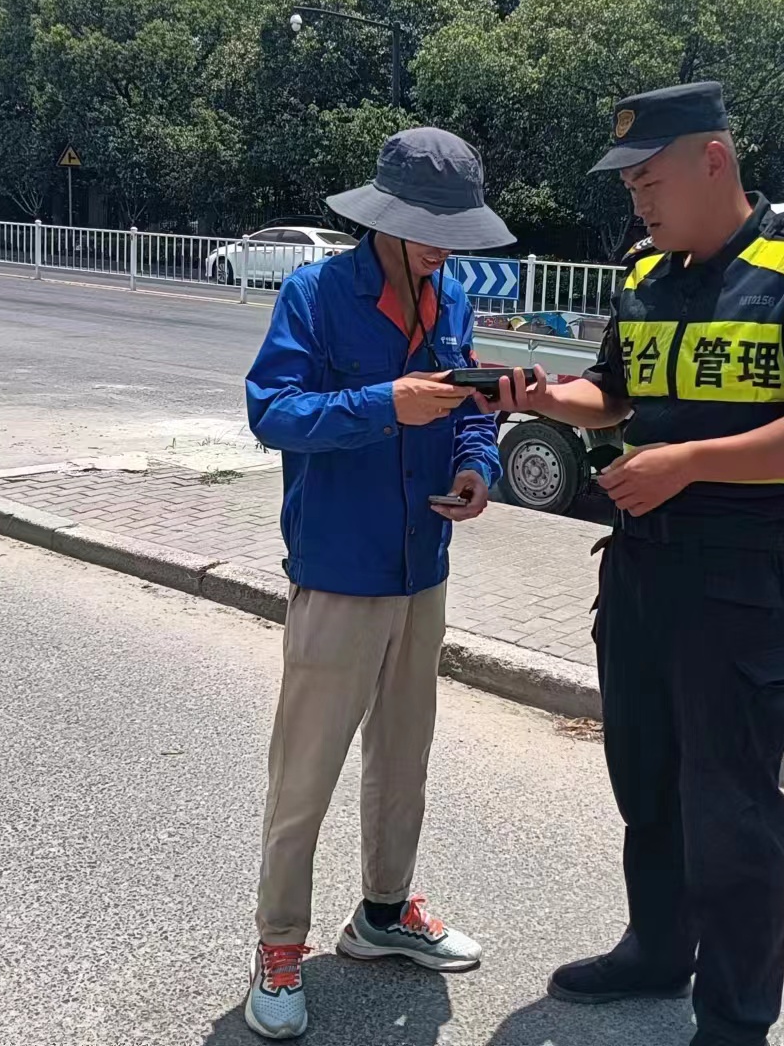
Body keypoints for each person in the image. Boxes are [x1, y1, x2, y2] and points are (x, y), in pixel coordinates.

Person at [479, 82, 784, 1045]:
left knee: (732, 807)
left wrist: (689, 464)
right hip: (640, 570)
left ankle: (736, 1019)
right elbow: (614, 395)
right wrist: (541, 397)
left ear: (714, 159)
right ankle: (658, 950)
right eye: (629, 188)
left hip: (737, 579)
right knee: (647, 779)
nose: (639, 201)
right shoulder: (648, 273)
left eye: (650, 180)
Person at [241, 127, 515, 1041]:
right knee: (305, 774)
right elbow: (273, 412)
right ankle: (280, 943)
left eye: (455, 230)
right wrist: (383, 404)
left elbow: (472, 411)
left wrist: (477, 467)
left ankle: (385, 914)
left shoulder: (451, 299)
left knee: (404, 758)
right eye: (431, 229)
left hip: (421, 569)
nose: (445, 248)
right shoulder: (317, 294)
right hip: (340, 573)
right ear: (385, 221)